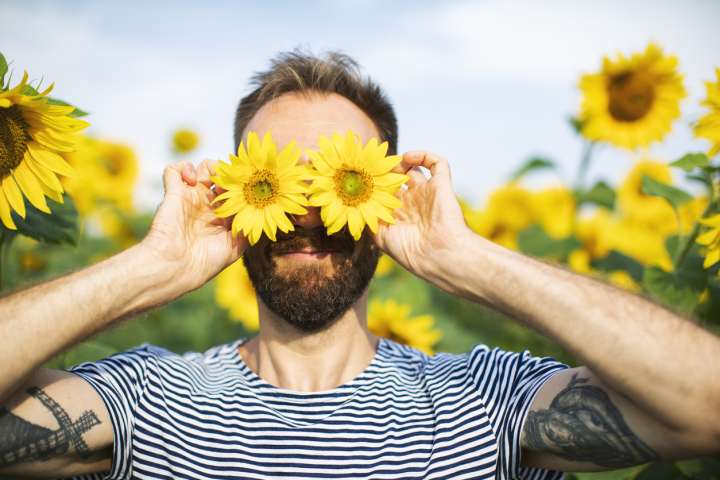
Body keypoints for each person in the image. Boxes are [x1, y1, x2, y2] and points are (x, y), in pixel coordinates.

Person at [0, 49, 718, 480]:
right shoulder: (153, 399)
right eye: (278, 181)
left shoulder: (483, 400)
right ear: (234, 191)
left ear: (389, 197)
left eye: (338, 182)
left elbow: (706, 408)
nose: (308, 211)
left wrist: (468, 260)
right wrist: (149, 268)